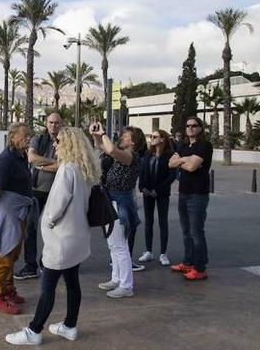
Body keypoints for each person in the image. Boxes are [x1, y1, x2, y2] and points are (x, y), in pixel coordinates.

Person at [5, 127, 101, 346]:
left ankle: (34, 331)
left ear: (68, 143)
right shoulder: (86, 169)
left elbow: (56, 205)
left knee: (47, 287)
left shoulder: (67, 169)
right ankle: (69, 326)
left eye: (58, 141)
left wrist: (47, 221)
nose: (55, 144)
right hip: (78, 236)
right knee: (72, 283)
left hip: (61, 240)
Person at [0, 123, 38, 315]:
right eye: (25, 135)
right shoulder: (6, 158)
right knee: (5, 255)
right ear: (13, 136)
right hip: (9, 211)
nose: (28, 138)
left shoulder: (21, 155)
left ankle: (9, 290)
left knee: (14, 253)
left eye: (29, 135)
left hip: (20, 211)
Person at [90, 122, 146, 298]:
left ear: (133, 142)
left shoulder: (131, 157)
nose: (121, 137)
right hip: (110, 200)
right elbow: (101, 146)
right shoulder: (123, 154)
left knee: (120, 245)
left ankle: (126, 285)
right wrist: (96, 135)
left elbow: (112, 150)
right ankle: (116, 278)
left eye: (125, 136)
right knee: (113, 244)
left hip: (120, 201)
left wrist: (104, 133)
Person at [14, 113, 63, 280]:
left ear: (61, 124)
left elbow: (65, 165)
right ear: (46, 123)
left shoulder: (65, 141)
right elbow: (32, 157)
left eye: (57, 123)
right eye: (51, 122)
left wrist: (42, 166)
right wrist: (52, 163)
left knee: (55, 229)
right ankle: (30, 265)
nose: (54, 126)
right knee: (31, 227)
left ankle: (48, 262)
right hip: (36, 190)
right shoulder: (38, 139)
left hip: (57, 191)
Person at [169, 116, 213, 280]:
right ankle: (188, 262)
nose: (190, 128)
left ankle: (200, 268)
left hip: (198, 194)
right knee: (186, 231)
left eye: (194, 125)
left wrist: (182, 161)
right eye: (188, 126)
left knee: (196, 231)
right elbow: (171, 163)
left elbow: (193, 167)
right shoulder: (183, 146)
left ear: (200, 128)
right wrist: (186, 160)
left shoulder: (205, 145)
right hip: (184, 192)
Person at [138, 129, 177, 266]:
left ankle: (163, 253)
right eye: (151, 136)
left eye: (155, 136)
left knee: (162, 222)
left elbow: (172, 176)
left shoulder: (170, 155)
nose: (152, 138)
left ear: (162, 139)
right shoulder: (148, 153)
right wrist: (142, 186)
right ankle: (148, 251)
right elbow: (142, 171)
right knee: (148, 222)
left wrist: (158, 190)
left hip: (162, 193)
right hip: (147, 192)